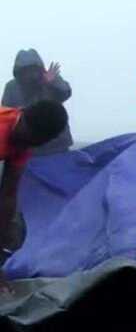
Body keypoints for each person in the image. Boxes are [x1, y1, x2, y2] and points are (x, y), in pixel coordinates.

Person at [0, 100, 69, 293]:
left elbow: (8, 194)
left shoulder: (25, 142)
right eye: (26, 139)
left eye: (32, 143)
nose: (24, 146)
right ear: (22, 117)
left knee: (13, 230)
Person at [2, 49, 73, 155]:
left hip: (58, 144)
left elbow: (65, 93)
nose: (31, 74)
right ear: (20, 71)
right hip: (30, 146)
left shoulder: (51, 78)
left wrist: (52, 83)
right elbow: (6, 113)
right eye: (26, 70)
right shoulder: (12, 87)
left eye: (34, 69)